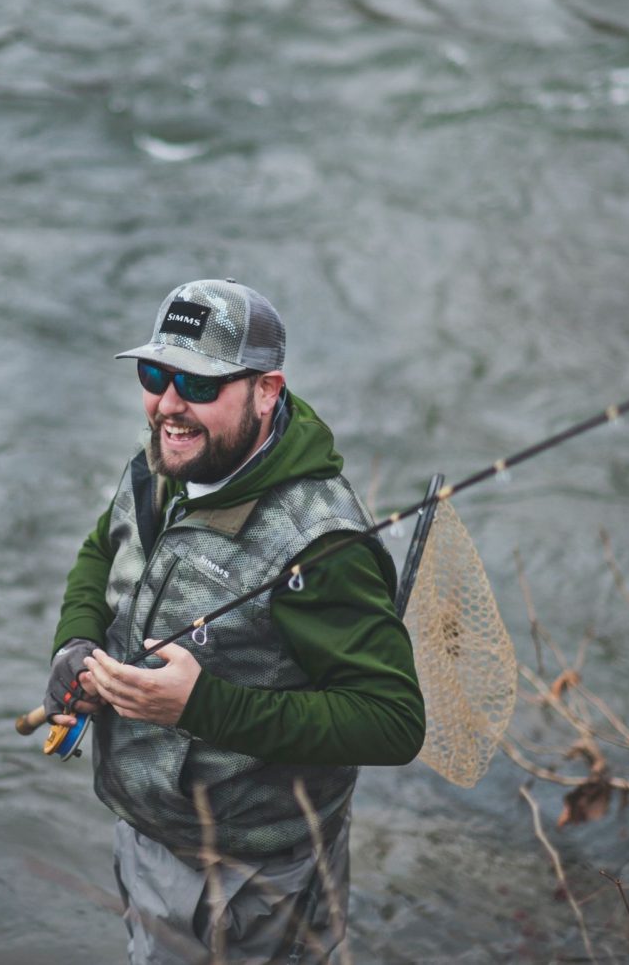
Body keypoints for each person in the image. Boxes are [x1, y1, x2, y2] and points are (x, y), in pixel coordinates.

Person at [43, 278, 425, 964]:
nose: (168, 404)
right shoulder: (169, 453)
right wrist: (75, 642)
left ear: (267, 390)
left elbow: (393, 720)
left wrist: (203, 705)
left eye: (197, 382)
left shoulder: (322, 546)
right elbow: (103, 548)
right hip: (149, 829)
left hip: (253, 878)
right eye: (154, 374)